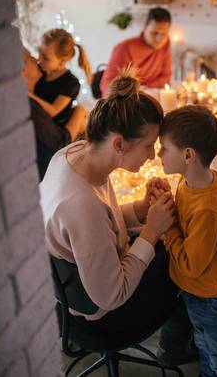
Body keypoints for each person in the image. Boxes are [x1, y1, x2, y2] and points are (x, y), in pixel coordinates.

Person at [40, 66, 180, 340]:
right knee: (188, 261)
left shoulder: (74, 154)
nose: (152, 156)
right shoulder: (80, 204)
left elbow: (101, 226)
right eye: (148, 145)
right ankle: (182, 346)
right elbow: (112, 296)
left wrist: (139, 210)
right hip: (103, 318)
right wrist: (151, 232)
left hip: (80, 287)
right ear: (118, 144)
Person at [156, 105, 217, 377]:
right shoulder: (193, 181)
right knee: (206, 348)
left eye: (164, 147)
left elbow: (192, 265)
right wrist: (167, 199)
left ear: (188, 155)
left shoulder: (207, 208)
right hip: (201, 291)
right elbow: (188, 223)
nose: (158, 154)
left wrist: (167, 229)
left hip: (211, 297)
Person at [22, 48, 86, 180]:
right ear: (23, 71)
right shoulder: (30, 107)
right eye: (30, 58)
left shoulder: (53, 82)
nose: (37, 59)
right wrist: (78, 115)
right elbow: (58, 145)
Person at [28, 28, 92, 129]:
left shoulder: (71, 82)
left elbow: (53, 111)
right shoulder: (40, 69)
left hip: (53, 129)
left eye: (45, 58)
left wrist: (29, 95)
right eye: (39, 53)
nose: (39, 60)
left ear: (62, 61)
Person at [100, 7, 172, 95]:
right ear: (145, 27)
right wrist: (137, 90)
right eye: (154, 33)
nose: (159, 39)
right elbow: (107, 85)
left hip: (148, 95)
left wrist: (144, 88)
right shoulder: (125, 48)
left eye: (164, 34)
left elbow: (166, 77)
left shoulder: (165, 44)